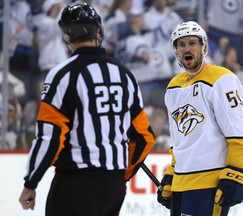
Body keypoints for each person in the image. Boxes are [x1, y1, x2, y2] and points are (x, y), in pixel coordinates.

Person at [18, 3, 155, 216]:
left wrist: (31, 182)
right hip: (112, 185)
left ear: (65, 36)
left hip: (74, 182)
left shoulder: (62, 74)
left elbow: (50, 137)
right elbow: (145, 137)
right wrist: (121, 175)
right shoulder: (125, 75)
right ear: (98, 31)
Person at [156, 21, 243, 216]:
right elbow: (179, 140)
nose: (187, 48)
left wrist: (235, 173)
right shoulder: (173, 86)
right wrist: (172, 172)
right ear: (175, 51)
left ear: (204, 47)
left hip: (210, 183)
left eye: (192, 43)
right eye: (181, 44)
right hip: (180, 184)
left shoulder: (221, 79)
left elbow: (240, 132)